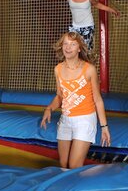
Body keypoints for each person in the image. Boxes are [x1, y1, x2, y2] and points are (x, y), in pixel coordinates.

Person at [40, 32, 110, 169]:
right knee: (63, 164)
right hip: (66, 119)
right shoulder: (58, 69)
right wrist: (49, 108)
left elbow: (98, 99)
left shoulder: (89, 69)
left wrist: (104, 127)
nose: (68, 47)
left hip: (85, 119)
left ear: (79, 48)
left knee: (74, 165)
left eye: (72, 44)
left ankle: (78, 189)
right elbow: (60, 96)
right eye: (65, 43)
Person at [28, 0, 120, 50]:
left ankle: (87, 69)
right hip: (75, 26)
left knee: (85, 50)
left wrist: (111, 10)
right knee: (72, 48)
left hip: (87, 26)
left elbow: (97, 5)